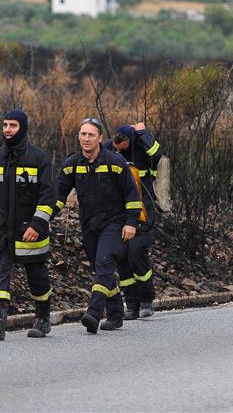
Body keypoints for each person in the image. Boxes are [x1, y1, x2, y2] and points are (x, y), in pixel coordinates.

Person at [54, 117, 143, 334]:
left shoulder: (115, 162)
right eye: (83, 134)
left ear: (100, 138)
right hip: (89, 225)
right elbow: (58, 196)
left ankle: (93, 313)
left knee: (104, 262)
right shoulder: (71, 164)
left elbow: (132, 195)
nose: (86, 139)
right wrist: (42, 219)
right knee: (101, 269)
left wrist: (131, 223)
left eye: (91, 135)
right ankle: (115, 315)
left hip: (115, 222)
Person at [0, 109, 57, 340]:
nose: (8, 130)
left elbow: (48, 197)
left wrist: (37, 225)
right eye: (5, 125)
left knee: (37, 275)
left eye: (13, 125)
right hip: (1, 229)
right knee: (0, 273)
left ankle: (43, 318)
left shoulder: (38, 159)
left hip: (29, 229)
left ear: (23, 128)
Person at [104, 122, 162, 320]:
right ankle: (132, 304)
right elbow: (92, 149)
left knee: (136, 252)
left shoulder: (143, 151)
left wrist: (142, 132)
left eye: (122, 145)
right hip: (119, 212)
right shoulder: (111, 149)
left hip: (143, 212)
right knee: (122, 257)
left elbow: (156, 153)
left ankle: (147, 299)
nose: (117, 149)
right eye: (115, 145)